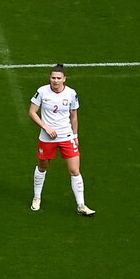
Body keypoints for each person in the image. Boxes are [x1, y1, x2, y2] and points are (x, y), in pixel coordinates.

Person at [28, 65, 95, 216]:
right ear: (49, 78)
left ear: (64, 79)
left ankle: (81, 205)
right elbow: (32, 112)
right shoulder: (42, 91)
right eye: (53, 78)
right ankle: (37, 197)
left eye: (59, 78)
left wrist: (75, 136)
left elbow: (74, 116)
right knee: (43, 167)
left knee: (74, 170)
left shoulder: (71, 93)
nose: (55, 81)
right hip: (47, 138)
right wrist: (46, 127)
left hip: (67, 137)